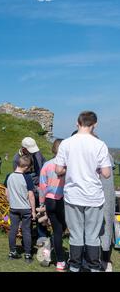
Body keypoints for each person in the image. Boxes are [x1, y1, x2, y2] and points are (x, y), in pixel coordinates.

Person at [55, 111, 112, 272]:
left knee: (76, 234)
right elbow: (107, 173)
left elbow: (59, 169)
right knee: (93, 236)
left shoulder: (66, 143)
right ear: (95, 124)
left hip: (73, 195)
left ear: (77, 123)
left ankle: (74, 267)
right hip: (93, 196)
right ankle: (94, 267)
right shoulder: (99, 145)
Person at [39, 139, 66, 271]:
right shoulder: (67, 166)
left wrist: (42, 203)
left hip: (49, 200)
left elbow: (42, 185)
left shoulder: (47, 165)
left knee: (57, 230)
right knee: (60, 231)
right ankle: (60, 260)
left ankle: (49, 250)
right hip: (63, 200)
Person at [13, 137, 47, 239]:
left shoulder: (37, 154)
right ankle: (27, 237)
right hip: (26, 190)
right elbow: (18, 176)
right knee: (27, 214)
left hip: (39, 188)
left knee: (40, 212)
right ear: (24, 149)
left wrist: (41, 186)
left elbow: (42, 170)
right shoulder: (16, 159)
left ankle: (42, 237)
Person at [4, 155, 36, 263]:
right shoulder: (27, 177)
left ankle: (12, 252)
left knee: (13, 230)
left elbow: (6, 192)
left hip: (13, 207)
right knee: (26, 231)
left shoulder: (9, 176)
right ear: (26, 167)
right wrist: (33, 211)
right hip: (25, 208)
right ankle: (27, 254)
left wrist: (11, 202)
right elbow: (31, 195)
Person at [100, 150, 116, 272]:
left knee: (105, 229)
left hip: (102, 194)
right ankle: (105, 260)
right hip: (106, 195)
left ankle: (105, 259)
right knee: (106, 229)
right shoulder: (107, 154)